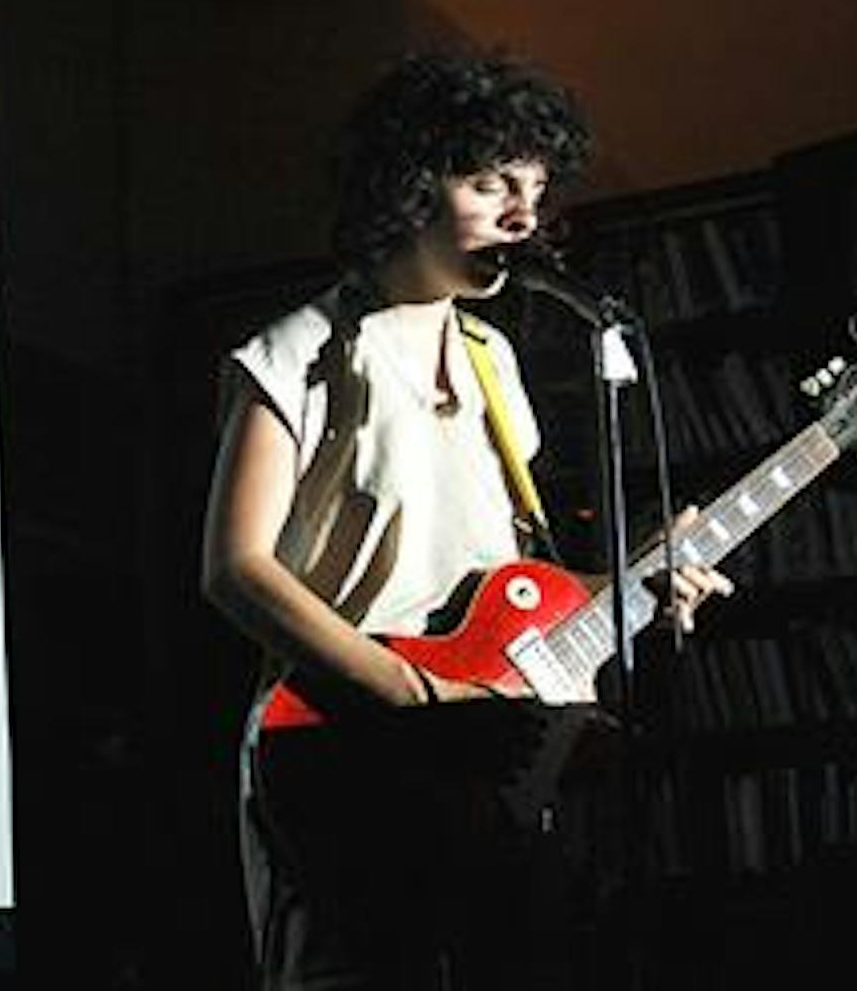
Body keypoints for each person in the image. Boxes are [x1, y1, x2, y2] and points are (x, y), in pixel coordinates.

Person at [200, 52, 732, 990]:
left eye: (536, 191)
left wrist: (635, 588)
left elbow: (500, 590)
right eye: (492, 185)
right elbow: (235, 568)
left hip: (477, 764)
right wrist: (413, 695)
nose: (524, 217)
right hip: (343, 746)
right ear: (409, 185)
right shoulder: (296, 351)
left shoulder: (494, 359)